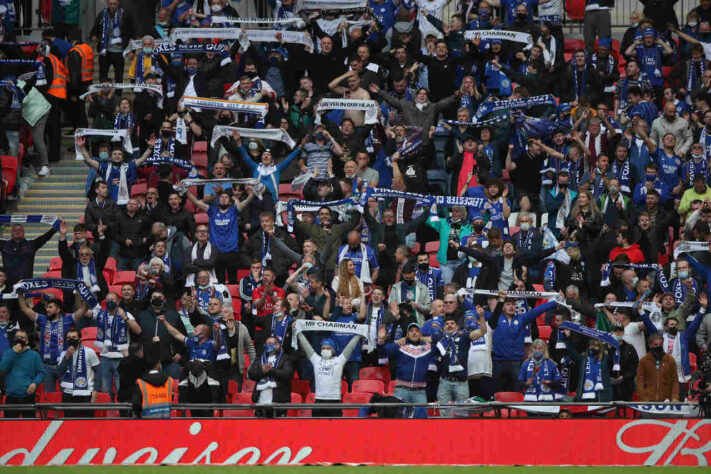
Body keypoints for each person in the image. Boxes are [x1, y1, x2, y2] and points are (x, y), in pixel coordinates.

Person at [17, 292, 89, 392]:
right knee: (48, 396)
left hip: (63, 364)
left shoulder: (67, 320)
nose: (47, 309)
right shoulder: (42, 319)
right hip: (46, 365)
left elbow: (83, 310)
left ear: (58, 309)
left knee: (66, 393)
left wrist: (83, 292)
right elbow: (24, 309)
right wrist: (20, 295)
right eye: (47, 307)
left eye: (50, 307)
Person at [297, 332, 361, 417]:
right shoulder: (316, 360)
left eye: (328, 348)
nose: (325, 350)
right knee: (317, 428)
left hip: (335, 401)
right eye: (323, 348)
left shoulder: (339, 360)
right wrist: (299, 333)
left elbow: (350, 347)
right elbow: (306, 346)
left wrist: (359, 334)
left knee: (335, 429)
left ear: (333, 350)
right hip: (319, 401)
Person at [57, 328, 101, 418]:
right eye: (69, 338)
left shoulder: (90, 352)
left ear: (80, 339)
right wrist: (67, 357)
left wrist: (95, 391)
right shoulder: (63, 354)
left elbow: (98, 372)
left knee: (87, 424)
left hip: (86, 393)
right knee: (69, 424)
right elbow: (58, 372)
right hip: (68, 394)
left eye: (74, 337)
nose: (71, 339)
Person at [0, 330, 44, 418]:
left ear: (27, 341)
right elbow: (2, 369)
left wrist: (35, 384)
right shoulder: (8, 353)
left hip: (28, 396)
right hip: (11, 396)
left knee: (29, 426)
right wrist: (13, 353)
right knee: (10, 427)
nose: (19, 340)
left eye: (22, 338)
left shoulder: (34, 355)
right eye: (17, 337)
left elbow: (41, 373)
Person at [248, 335, 293, 418]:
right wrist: (263, 371)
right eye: (267, 344)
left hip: (278, 402)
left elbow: (287, 374)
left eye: (271, 343)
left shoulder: (285, 358)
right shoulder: (259, 359)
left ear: (278, 345)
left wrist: (271, 370)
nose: (269, 346)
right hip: (260, 403)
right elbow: (251, 373)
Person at [132, 343, 173, 419]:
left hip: (147, 424)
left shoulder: (141, 383)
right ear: (158, 364)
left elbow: (136, 405)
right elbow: (171, 398)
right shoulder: (169, 381)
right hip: (166, 424)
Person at [636, 333, 680, 401]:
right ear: (650, 345)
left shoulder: (670, 360)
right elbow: (640, 381)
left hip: (666, 400)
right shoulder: (643, 361)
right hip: (648, 401)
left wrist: (675, 397)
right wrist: (643, 398)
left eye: (660, 344)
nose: (658, 347)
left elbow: (675, 381)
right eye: (655, 345)